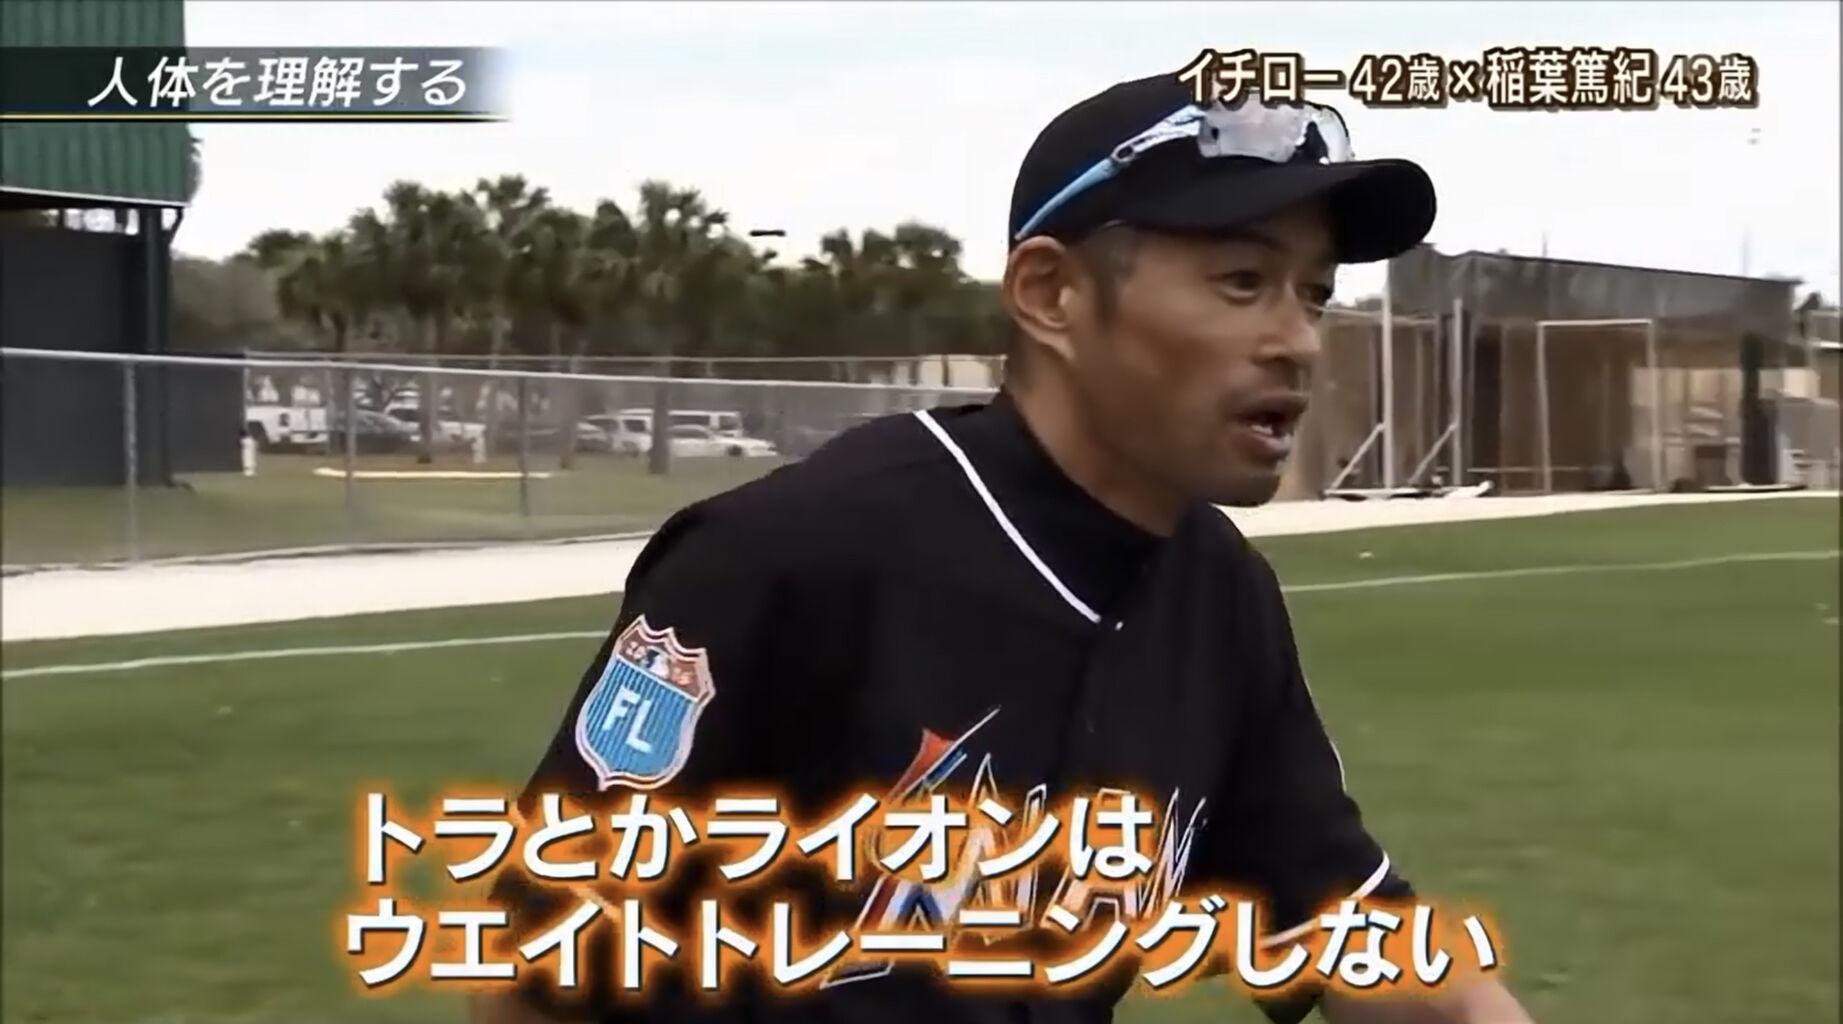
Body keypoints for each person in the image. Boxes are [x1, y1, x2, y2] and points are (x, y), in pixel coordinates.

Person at [471, 70, 1536, 1024]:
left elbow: (1361, 939)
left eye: (1313, 294)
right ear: (1050, 295)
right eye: (1240, 283)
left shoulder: (1220, 598)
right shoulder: (787, 556)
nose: (1296, 340)